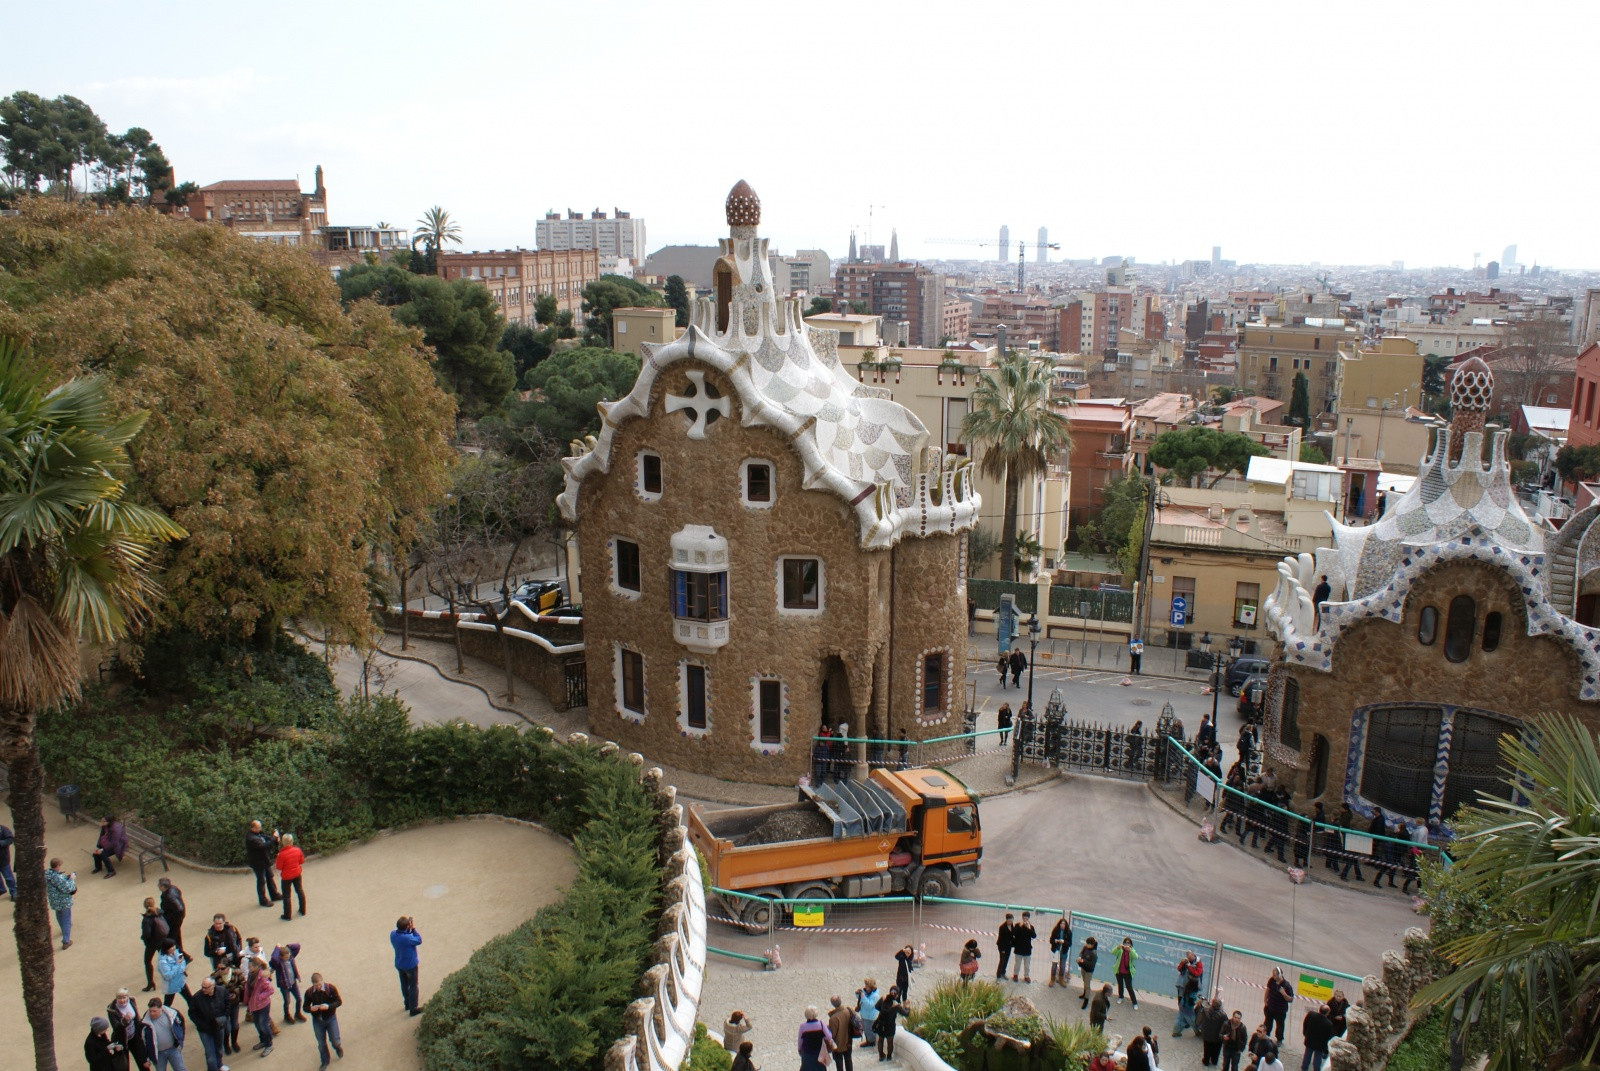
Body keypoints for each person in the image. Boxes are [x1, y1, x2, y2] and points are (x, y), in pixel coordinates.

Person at [186, 975, 229, 1071]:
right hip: (205, 1030)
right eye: (202, 987)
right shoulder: (197, 998)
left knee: (219, 1048)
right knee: (210, 1054)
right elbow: (192, 1013)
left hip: (219, 1026)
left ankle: (219, 1064)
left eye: (206, 987)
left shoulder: (222, 991)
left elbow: (228, 1004)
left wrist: (224, 1017)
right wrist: (201, 1025)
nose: (203, 989)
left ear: (213, 986)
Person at [304, 972, 344, 1068]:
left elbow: (339, 1001)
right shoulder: (309, 992)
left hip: (330, 1018)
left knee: (335, 1039)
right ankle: (325, 1061)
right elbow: (305, 1007)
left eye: (319, 985)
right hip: (318, 1020)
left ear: (322, 981)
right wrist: (310, 1009)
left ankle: (337, 1047)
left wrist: (328, 1006)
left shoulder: (330, 988)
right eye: (315, 985)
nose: (318, 987)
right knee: (321, 1043)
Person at [137, 997, 188, 1071]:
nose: (152, 1013)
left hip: (173, 1049)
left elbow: (181, 1023)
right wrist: (145, 1059)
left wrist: (180, 1038)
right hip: (157, 1054)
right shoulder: (144, 1024)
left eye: (154, 1011)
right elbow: (141, 1042)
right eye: (150, 1011)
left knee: (180, 1069)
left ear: (161, 1008)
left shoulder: (172, 1014)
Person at [391, 915, 423, 1016]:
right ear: (406, 927)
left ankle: (408, 1003)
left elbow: (403, 937)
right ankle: (413, 1008)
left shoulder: (393, 935)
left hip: (400, 964)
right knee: (413, 986)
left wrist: (407, 929)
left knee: (404, 984)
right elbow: (418, 940)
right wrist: (413, 929)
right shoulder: (408, 938)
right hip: (410, 965)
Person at [245, 822, 281, 907]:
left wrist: (273, 838)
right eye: (258, 828)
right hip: (258, 863)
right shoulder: (251, 838)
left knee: (270, 877)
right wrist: (274, 838)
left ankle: (274, 894)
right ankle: (263, 900)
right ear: (252, 828)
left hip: (264, 860)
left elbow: (265, 837)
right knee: (261, 881)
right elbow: (263, 846)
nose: (260, 829)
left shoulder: (257, 834)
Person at [243, 960, 275, 1056]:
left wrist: (259, 997)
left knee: (263, 1024)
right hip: (253, 1004)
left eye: (251, 967)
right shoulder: (251, 974)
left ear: (257, 967)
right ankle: (263, 1040)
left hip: (262, 1005)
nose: (249, 969)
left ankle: (269, 1044)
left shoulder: (263, 977)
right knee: (257, 1023)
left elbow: (270, 990)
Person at [108, 988, 145, 1071]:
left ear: (127, 997)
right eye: (119, 998)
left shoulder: (131, 1001)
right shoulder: (112, 1010)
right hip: (122, 1040)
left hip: (134, 1036)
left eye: (124, 997)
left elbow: (137, 1017)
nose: (122, 1000)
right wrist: (124, 1021)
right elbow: (116, 1027)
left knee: (142, 1060)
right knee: (124, 1066)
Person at [45, 857, 76, 948]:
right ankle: (66, 941)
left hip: (54, 900)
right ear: (57, 866)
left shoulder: (47, 874)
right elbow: (68, 888)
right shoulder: (57, 877)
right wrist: (71, 879)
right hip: (63, 900)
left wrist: (65, 877)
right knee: (66, 919)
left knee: (59, 915)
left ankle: (63, 929)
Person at [141, 898, 171, 992]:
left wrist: (144, 938)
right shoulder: (159, 913)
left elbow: (147, 934)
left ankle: (150, 982)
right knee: (167, 958)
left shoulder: (147, 919)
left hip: (152, 943)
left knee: (147, 961)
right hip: (162, 939)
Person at [269, 941, 303, 1024]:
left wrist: (286, 947)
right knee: (287, 1001)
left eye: (288, 956)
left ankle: (298, 1013)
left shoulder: (291, 958)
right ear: (281, 957)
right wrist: (277, 948)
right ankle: (287, 1015)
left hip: (293, 982)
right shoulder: (278, 963)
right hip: (284, 985)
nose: (288, 958)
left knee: (299, 999)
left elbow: (297, 946)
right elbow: (273, 958)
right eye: (286, 957)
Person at [274, 834, 306, 921]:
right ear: (292, 841)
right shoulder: (297, 850)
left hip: (286, 877)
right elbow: (301, 861)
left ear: (283, 843)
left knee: (287, 896)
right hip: (297, 873)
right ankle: (303, 910)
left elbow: (278, 867)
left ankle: (287, 915)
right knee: (299, 890)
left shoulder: (281, 854)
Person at [156, 938, 191, 1007]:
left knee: (190, 999)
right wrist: (177, 965)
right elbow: (168, 976)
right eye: (171, 947)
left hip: (180, 981)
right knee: (167, 1004)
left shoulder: (176, 952)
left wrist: (180, 967)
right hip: (171, 986)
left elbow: (182, 961)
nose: (173, 948)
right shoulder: (162, 962)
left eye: (173, 946)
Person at [1262, 968, 1294, 1043]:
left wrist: (1284, 993)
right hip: (1270, 1007)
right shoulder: (1272, 980)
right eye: (1273, 975)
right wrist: (1265, 1001)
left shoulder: (1286, 986)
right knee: (1267, 1023)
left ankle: (1279, 1039)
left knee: (1280, 1026)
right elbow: (1268, 990)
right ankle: (1266, 1035)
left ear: (1280, 975)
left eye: (1275, 975)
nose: (1273, 977)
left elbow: (1290, 999)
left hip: (1280, 1010)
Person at [797, 1007, 834, 1071]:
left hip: (807, 1052)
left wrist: (799, 1049)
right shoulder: (821, 1024)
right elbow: (829, 1037)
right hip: (819, 1052)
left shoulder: (803, 1026)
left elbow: (800, 1040)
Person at [1300, 1003, 1334, 1071]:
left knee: (1307, 1054)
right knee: (1317, 1058)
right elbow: (1329, 1035)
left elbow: (1305, 1024)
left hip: (1310, 1040)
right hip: (1320, 1044)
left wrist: (1305, 1033)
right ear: (1327, 1013)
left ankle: (1304, 1067)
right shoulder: (1328, 1024)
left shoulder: (1311, 1015)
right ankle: (1316, 1069)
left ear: (1319, 1009)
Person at [158, 877, 187, 954]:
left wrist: (172, 916)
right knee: (176, 935)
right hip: (176, 917)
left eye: (159, 885)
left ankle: (183, 955)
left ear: (163, 887)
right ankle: (181, 953)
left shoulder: (168, 896)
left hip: (174, 919)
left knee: (172, 937)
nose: (158, 886)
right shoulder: (173, 888)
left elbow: (179, 908)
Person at [874, 986, 903, 1062]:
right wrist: (907, 1007)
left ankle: (881, 1055)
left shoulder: (883, 999)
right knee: (890, 1041)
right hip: (890, 1025)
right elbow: (905, 1013)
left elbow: (876, 1006)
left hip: (881, 1023)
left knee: (880, 1039)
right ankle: (889, 1056)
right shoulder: (896, 1005)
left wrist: (882, 1011)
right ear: (897, 995)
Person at [1197, 997, 1227, 1065]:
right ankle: (1214, 1061)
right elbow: (1226, 1024)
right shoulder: (1223, 1015)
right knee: (1216, 1050)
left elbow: (1200, 1018)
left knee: (1207, 1048)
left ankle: (1206, 1060)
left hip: (1207, 1034)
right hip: (1217, 1036)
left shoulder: (1205, 1011)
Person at [826, 997, 853, 1071]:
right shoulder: (848, 1010)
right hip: (848, 1040)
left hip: (838, 1043)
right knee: (848, 1059)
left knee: (839, 1062)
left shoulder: (833, 1018)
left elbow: (833, 1034)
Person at [1113, 936, 1139, 1008]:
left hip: (1127, 972)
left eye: (1128, 943)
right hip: (1119, 971)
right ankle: (1121, 997)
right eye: (1125, 943)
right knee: (1120, 985)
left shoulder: (1131, 950)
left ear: (1130, 944)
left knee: (1129, 987)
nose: (1126, 944)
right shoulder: (1120, 949)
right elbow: (1113, 952)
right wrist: (1117, 947)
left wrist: (1130, 950)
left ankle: (1134, 1002)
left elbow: (1136, 957)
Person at [1010, 911, 1036, 982]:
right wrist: (1020, 926)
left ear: (1029, 919)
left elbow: (1034, 936)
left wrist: (1029, 928)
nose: (1025, 920)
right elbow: (1014, 933)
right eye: (1024, 918)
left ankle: (1026, 976)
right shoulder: (1018, 925)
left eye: (1026, 918)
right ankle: (1015, 975)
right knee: (1017, 964)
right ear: (1022, 918)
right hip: (1019, 948)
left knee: (1027, 965)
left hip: (1027, 949)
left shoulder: (1031, 927)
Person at [854, 978, 880, 1050]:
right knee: (865, 1029)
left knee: (869, 1030)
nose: (865, 987)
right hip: (864, 1014)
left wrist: (863, 997)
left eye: (867, 986)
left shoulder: (875, 996)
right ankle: (868, 1040)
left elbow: (869, 1005)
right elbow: (861, 998)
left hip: (870, 1016)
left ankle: (871, 1042)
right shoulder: (866, 992)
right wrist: (858, 994)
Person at [1047, 916, 1072, 988]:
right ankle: (1052, 979)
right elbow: (1051, 940)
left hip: (1063, 951)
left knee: (1063, 966)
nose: (1062, 925)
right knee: (1054, 966)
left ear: (1066, 925)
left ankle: (1061, 980)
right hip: (1055, 951)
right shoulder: (1056, 930)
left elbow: (1070, 943)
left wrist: (1064, 942)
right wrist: (1055, 941)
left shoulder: (1068, 932)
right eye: (1061, 924)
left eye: (1064, 924)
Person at [1077, 937, 1099, 1006]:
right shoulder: (1085, 948)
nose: (1087, 945)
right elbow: (1081, 953)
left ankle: (1086, 999)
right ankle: (1084, 993)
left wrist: (1084, 961)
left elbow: (1091, 965)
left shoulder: (1094, 953)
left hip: (1088, 971)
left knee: (1087, 985)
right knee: (1084, 981)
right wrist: (1080, 958)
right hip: (1083, 968)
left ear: (1092, 945)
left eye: (1088, 944)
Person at [993, 913, 1015, 980]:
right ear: (1007, 920)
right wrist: (1002, 949)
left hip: (1008, 946)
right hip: (1002, 946)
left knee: (1006, 960)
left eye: (1012, 920)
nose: (1011, 922)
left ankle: (1003, 972)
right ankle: (998, 975)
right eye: (1009, 920)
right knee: (1002, 960)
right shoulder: (1002, 927)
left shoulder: (1012, 926)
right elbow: (1001, 939)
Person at [0, 820, 16, 901]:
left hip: (3, 859)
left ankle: (13, 892)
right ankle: (1, 889)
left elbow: (10, 839)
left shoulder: (3, 830)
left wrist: (1, 843)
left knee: (8, 877)